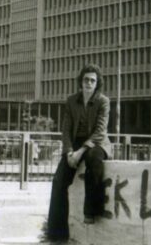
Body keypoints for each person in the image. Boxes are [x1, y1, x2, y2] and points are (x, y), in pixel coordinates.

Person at [45, 63, 112, 242]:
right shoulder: (71, 100)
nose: (88, 83)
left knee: (93, 159)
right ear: (80, 82)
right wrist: (68, 153)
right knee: (59, 180)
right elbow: (66, 130)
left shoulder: (103, 101)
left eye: (92, 80)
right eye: (86, 80)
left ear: (97, 83)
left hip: (97, 143)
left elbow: (100, 131)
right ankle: (57, 233)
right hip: (74, 144)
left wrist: (81, 151)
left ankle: (91, 211)